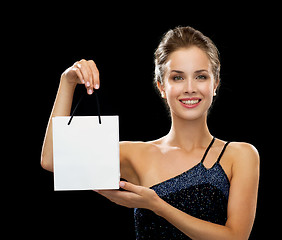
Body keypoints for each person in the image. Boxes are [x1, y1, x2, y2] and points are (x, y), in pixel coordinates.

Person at [41, 26, 260, 240]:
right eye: (178, 77)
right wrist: (67, 82)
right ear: (162, 86)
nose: (190, 88)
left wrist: (155, 205)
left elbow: (236, 236)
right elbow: (53, 160)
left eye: (201, 76)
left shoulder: (240, 155)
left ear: (215, 84)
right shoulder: (137, 154)